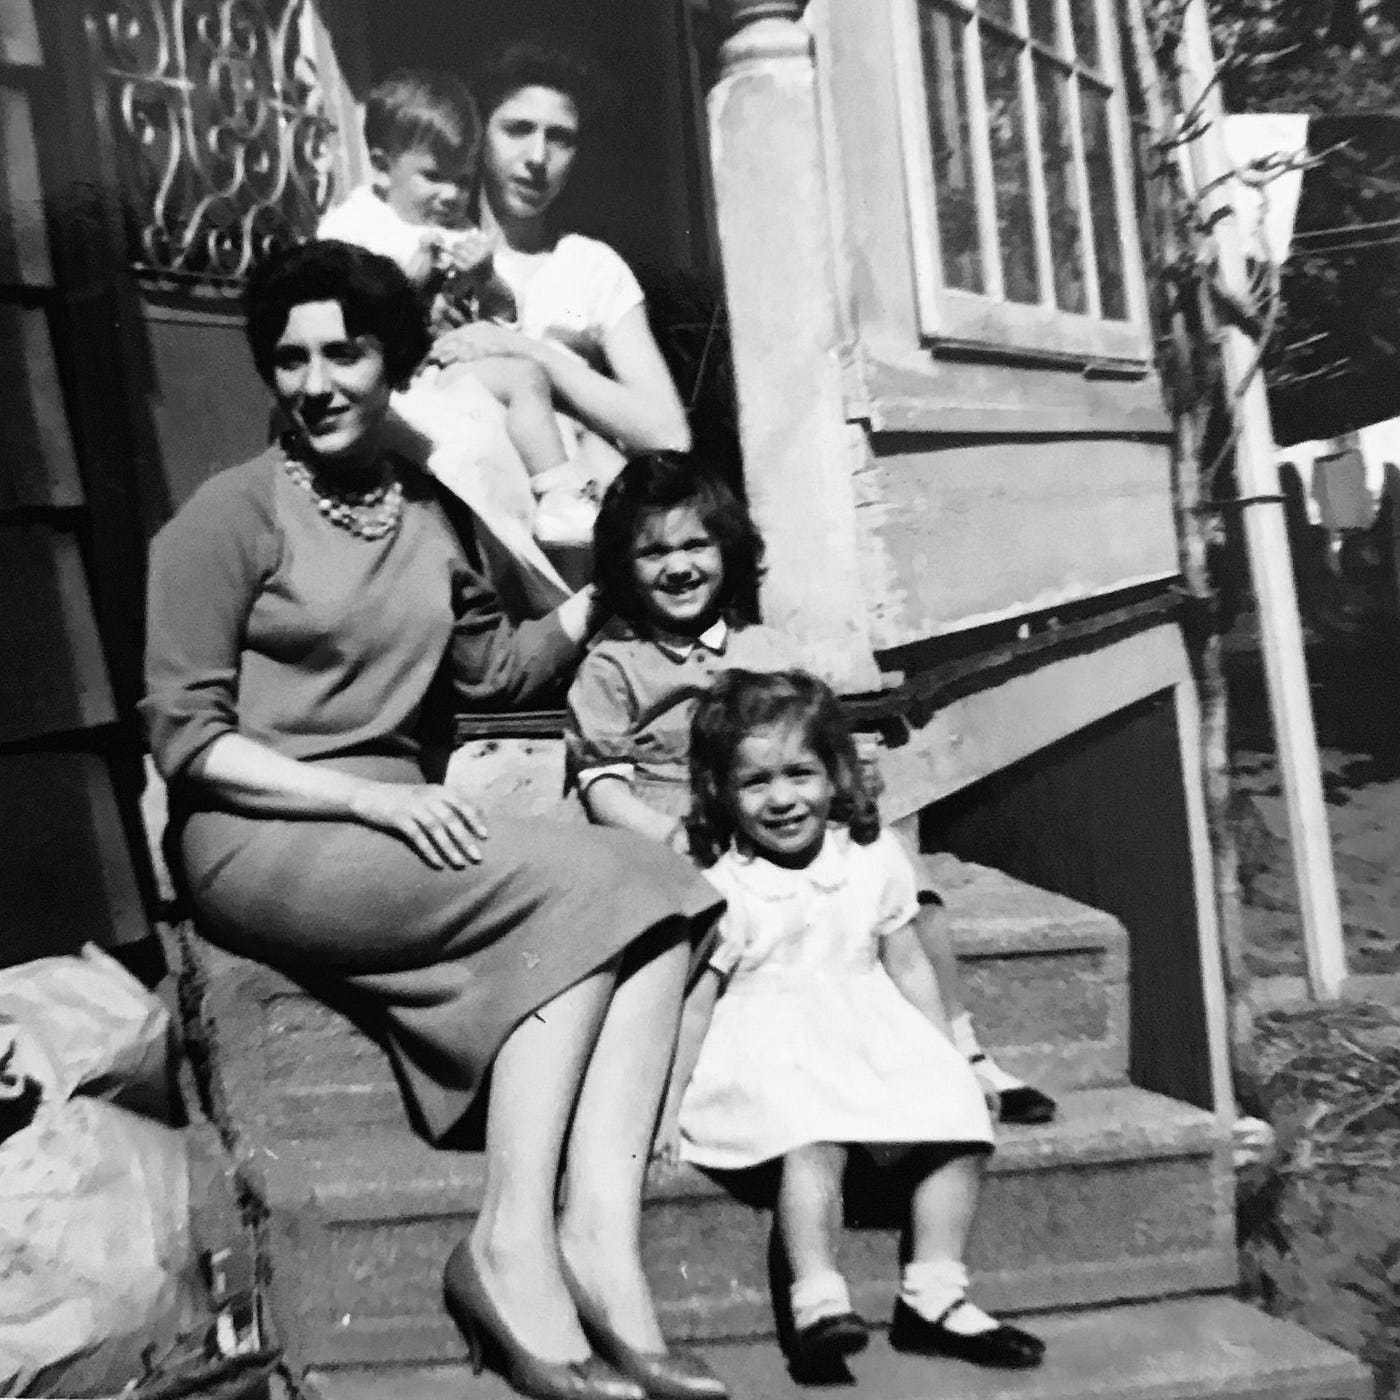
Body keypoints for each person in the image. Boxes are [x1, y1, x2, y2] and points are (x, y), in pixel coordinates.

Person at [140, 239, 728, 1400]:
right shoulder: (228, 516)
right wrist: (369, 795)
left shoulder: (426, 512)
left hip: (396, 816)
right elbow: (189, 741)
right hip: (260, 829)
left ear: (393, 364)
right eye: (290, 357)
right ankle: (510, 1244)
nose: (314, 382)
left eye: (343, 353)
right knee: (598, 887)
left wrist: (601, 593)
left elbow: (492, 670)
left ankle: (596, 1246)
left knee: (664, 892)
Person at [565, 452, 1057, 1124]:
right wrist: (673, 836)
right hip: (683, 829)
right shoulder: (613, 665)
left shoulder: (767, 648)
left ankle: (964, 1051)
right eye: (653, 552)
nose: (677, 565)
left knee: (906, 885)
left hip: (778, 818)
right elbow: (602, 791)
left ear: (727, 551)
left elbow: (822, 748)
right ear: (625, 567)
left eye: (695, 544)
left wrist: (849, 790)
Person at [658, 670, 1046, 1380]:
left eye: (800, 773)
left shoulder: (870, 858)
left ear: (835, 774)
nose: (782, 799)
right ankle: (817, 1302)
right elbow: (697, 1003)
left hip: (864, 1023)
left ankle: (934, 1294)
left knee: (957, 1116)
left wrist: (947, 1057)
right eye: (756, 783)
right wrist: (665, 1101)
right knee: (812, 1136)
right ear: (720, 793)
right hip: (767, 1045)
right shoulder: (727, 885)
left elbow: (909, 966)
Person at [430, 35, 691, 586]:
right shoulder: (429, 250)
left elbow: (667, 433)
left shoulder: (591, 267)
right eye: (518, 129)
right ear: (479, 136)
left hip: (572, 543)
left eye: (561, 138)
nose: (537, 159)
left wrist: (528, 351)